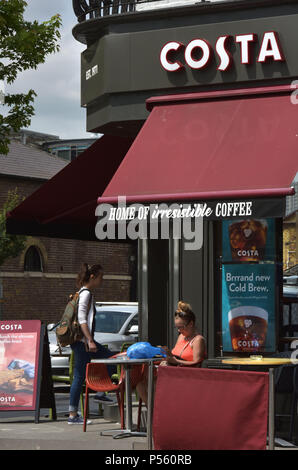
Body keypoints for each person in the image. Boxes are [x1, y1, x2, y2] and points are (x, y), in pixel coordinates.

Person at [68, 262, 114, 425]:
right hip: (82, 342)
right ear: (93, 277)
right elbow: (82, 320)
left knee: (109, 359)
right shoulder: (86, 294)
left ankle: (100, 392)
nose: (103, 280)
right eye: (101, 277)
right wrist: (90, 340)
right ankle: (73, 415)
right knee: (80, 375)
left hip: (80, 341)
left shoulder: (82, 292)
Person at [136, 301, 206, 406]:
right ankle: (155, 411)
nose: (179, 330)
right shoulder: (181, 337)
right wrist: (166, 353)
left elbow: (197, 362)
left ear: (191, 324)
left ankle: (157, 411)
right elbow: (175, 355)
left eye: (181, 327)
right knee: (140, 384)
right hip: (173, 371)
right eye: (177, 327)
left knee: (153, 382)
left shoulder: (198, 340)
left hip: (187, 376)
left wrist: (175, 361)